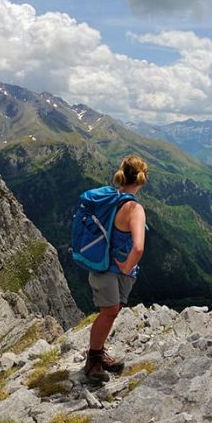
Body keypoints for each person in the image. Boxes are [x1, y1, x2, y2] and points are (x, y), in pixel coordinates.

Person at [84, 154, 148, 381]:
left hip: (101, 264)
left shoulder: (111, 199)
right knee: (109, 312)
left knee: (112, 311)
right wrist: (128, 265)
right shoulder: (134, 208)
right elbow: (138, 248)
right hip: (113, 270)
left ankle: (99, 354)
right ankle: (92, 361)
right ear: (142, 178)